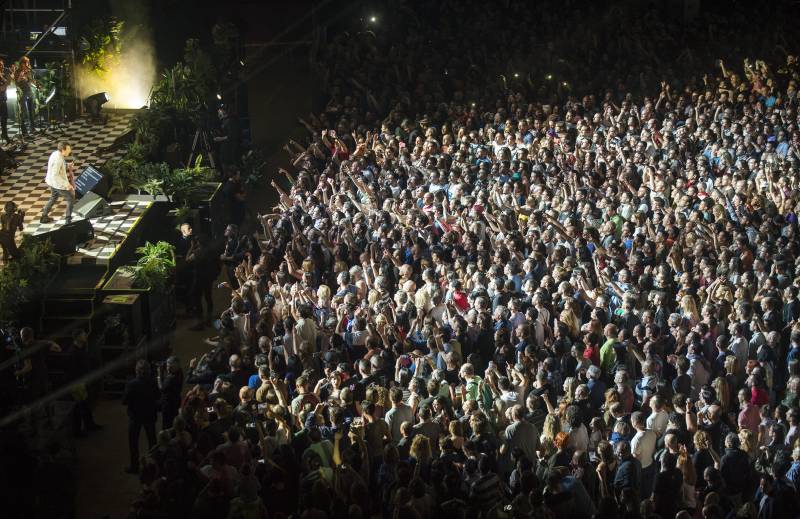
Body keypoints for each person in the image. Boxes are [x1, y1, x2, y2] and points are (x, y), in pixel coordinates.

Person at [122, 359, 159, 474]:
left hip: (135, 417)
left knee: (133, 442)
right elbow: (158, 396)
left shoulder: (131, 384)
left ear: (136, 371)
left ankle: (135, 466)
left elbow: (124, 401)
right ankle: (154, 465)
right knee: (152, 441)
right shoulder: (153, 382)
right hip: (149, 416)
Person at [40, 142, 73, 224]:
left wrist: (67, 165)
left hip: (51, 182)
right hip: (56, 183)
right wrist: (67, 184)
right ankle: (68, 221)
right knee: (70, 198)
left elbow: (58, 166)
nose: (70, 150)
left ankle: (44, 216)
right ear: (63, 150)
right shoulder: (58, 159)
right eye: (68, 149)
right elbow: (56, 175)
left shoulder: (56, 153)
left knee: (53, 197)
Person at [157, 356, 183, 430]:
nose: (168, 368)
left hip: (168, 405)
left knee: (166, 425)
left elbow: (161, 387)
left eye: (169, 367)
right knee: (173, 423)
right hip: (176, 402)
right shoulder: (180, 371)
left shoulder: (171, 379)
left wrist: (159, 374)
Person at [13, 56, 35, 134]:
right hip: (22, 93)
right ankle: (24, 130)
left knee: (31, 111)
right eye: (26, 62)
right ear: (21, 63)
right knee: (24, 112)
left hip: (29, 92)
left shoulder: (29, 71)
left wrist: (29, 79)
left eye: (28, 62)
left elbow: (32, 82)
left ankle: (33, 128)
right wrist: (20, 76)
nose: (27, 64)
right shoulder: (18, 71)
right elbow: (16, 82)